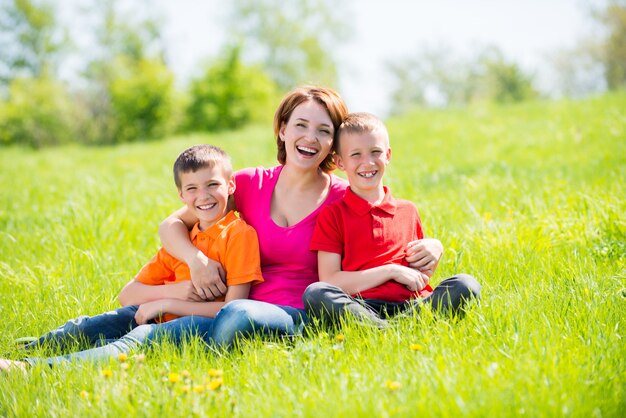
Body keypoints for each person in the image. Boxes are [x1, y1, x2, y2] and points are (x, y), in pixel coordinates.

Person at [153, 86, 445, 348]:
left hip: (303, 314)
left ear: (334, 143)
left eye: (323, 130)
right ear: (283, 130)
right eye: (301, 125)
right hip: (237, 308)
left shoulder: (345, 198)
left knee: (232, 316)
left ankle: (204, 349)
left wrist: (434, 246)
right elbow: (172, 225)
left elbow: (385, 230)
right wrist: (196, 260)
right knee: (128, 323)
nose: (310, 138)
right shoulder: (248, 184)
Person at [0, 145, 262, 371]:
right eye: (192, 188)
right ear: (181, 196)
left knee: (131, 342)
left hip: (196, 324)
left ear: (230, 186)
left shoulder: (238, 235)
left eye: (212, 184)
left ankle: (29, 369)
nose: (203, 196)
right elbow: (129, 295)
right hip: (154, 312)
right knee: (91, 325)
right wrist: (173, 295)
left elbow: (231, 311)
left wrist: (167, 303)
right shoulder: (184, 240)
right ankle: (29, 349)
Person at [302, 112, 480, 327]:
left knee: (465, 284)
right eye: (356, 154)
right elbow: (330, 280)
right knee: (316, 293)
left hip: (412, 303)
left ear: (388, 155)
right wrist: (390, 271)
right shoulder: (333, 215)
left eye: (375, 152)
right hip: (361, 305)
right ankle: (388, 329)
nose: (367, 162)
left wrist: (431, 254)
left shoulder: (408, 210)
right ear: (340, 162)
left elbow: (420, 275)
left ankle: (394, 327)